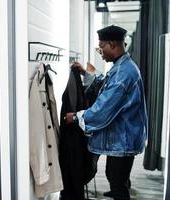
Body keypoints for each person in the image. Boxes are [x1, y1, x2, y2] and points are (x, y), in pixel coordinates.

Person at [64, 25, 147, 200]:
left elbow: (102, 109)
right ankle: (118, 187)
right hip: (124, 134)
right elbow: (106, 84)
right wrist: (86, 73)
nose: (100, 52)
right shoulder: (122, 66)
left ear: (112, 44)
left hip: (124, 138)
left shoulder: (123, 74)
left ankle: (119, 192)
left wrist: (77, 116)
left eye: (101, 48)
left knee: (117, 180)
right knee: (114, 173)